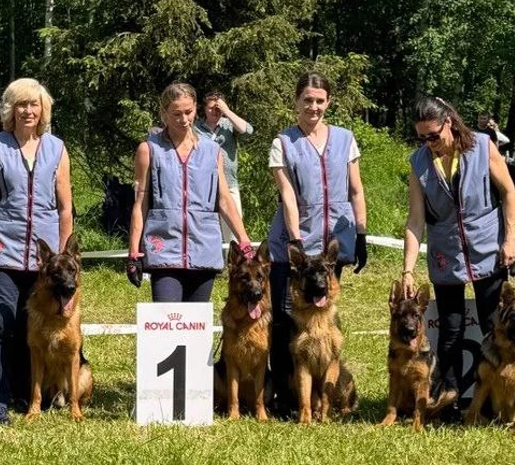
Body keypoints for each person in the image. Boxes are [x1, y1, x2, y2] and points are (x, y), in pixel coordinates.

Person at [401, 96, 515, 421]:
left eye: (433, 136)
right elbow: (415, 220)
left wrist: (509, 240)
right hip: (446, 252)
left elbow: (509, 192)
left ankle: (496, 401)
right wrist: (408, 270)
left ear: (449, 123)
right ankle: (449, 400)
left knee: (493, 324)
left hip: (488, 247)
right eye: (421, 138)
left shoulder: (482, 146)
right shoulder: (418, 162)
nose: (429, 144)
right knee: (450, 330)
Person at [0, 78, 73, 426]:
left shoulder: (57, 148)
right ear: (11, 110)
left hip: (45, 258)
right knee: (1, 324)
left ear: (43, 109)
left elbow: (65, 207)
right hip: (2, 248)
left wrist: (64, 255)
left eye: (34, 104)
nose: (28, 111)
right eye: (22, 104)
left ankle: (26, 393)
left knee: (34, 324)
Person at [266, 72, 369, 416]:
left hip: (332, 248)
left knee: (323, 321)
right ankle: (285, 398)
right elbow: (287, 195)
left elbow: (356, 189)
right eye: (307, 100)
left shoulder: (345, 138)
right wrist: (295, 238)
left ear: (328, 102)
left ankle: (323, 398)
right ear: (296, 101)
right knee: (285, 322)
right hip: (294, 247)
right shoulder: (283, 142)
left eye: (320, 101)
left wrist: (361, 233)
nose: (313, 107)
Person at [126, 83, 254, 303]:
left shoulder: (212, 151)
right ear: (164, 113)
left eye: (189, 112)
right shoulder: (149, 149)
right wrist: (133, 252)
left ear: (196, 109)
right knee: (167, 318)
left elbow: (224, 199)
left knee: (196, 322)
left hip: (204, 248)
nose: (184, 119)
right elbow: (140, 204)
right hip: (164, 249)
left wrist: (244, 241)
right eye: (176, 114)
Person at [194, 91, 253, 243]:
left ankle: (233, 257)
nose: (215, 111)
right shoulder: (195, 128)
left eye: (218, 108)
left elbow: (248, 131)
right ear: (204, 108)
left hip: (229, 184)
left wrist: (226, 111)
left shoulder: (229, 124)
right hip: (203, 187)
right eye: (211, 108)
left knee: (233, 233)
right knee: (204, 231)